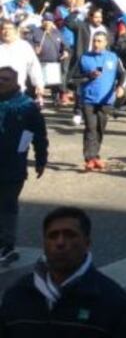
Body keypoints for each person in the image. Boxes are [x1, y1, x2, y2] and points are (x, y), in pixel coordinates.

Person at [0, 206, 126, 337]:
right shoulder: (17, 295)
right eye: (53, 236)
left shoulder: (113, 301)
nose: (60, 242)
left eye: (70, 235)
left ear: (87, 243)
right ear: (44, 243)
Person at [0, 67, 46, 266]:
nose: (1, 82)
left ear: (15, 81)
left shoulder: (27, 106)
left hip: (13, 166)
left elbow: (39, 135)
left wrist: (41, 159)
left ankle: (7, 245)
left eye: (5, 79)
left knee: (7, 206)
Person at [78, 33, 126, 171]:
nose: (96, 44)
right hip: (88, 99)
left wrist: (120, 86)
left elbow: (122, 74)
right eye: (94, 41)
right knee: (90, 128)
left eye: (99, 41)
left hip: (106, 99)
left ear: (105, 43)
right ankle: (89, 158)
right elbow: (74, 77)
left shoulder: (112, 57)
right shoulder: (84, 58)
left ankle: (96, 156)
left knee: (100, 128)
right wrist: (88, 75)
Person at [0, 19, 43, 103]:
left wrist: (39, 84)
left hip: (19, 92)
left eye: (9, 29)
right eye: (3, 29)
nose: (6, 32)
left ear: (16, 31)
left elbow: (34, 67)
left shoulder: (24, 46)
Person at [29, 14, 67, 104]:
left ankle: (55, 98)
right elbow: (28, 43)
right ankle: (37, 98)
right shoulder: (35, 31)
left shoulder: (57, 32)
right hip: (39, 61)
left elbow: (65, 45)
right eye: (45, 21)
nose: (47, 23)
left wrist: (65, 51)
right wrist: (34, 48)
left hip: (54, 61)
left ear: (52, 22)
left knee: (54, 83)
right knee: (38, 81)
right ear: (42, 21)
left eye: (49, 21)